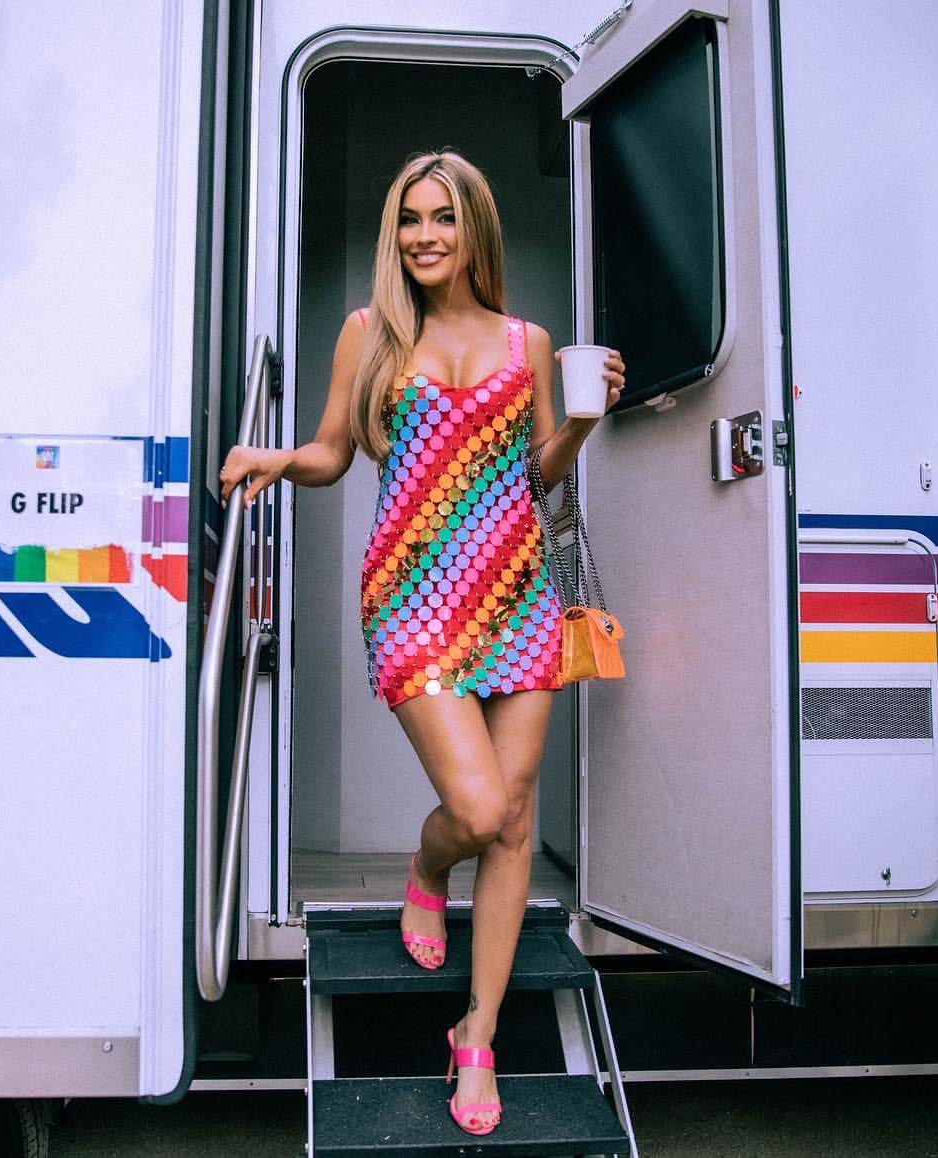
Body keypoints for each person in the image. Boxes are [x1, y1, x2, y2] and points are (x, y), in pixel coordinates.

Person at [220, 150, 625, 1137]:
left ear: (475, 227)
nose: (424, 236)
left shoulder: (529, 341)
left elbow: (535, 471)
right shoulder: (371, 332)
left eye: (443, 217)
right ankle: (428, 868)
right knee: (476, 809)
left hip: (518, 594)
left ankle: (476, 1034)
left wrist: (582, 422)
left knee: (514, 821)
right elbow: (333, 452)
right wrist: (280, 456)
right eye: (410, 218)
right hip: (413, 597)